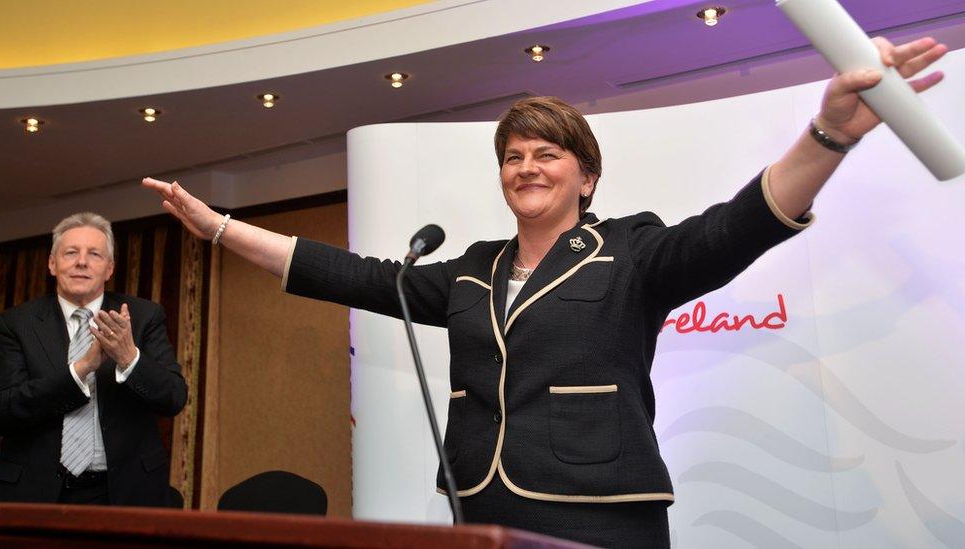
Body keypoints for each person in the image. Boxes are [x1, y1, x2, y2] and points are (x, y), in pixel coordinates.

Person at [142, 36, 946, 547]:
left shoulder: (629, 247)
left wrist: (829, 132)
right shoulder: (473, 266)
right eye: (513, 155)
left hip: (600, 510)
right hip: (484, 509)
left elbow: (734, 227)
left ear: (586, 176)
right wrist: (218, 229)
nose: (526, 166)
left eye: (547, 154)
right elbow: (352, 276)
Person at [0, 212, 188, 506]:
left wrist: (128, 358)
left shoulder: (144, 316)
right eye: (71, 253)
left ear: (109, 268)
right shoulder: (15, 324)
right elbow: (1, 412)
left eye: (94, 254)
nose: (81, 262)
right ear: (52, 264)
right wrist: (81, 370)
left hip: (124, 491)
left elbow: (173, 397)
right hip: (33, 490)